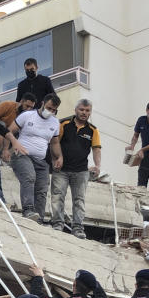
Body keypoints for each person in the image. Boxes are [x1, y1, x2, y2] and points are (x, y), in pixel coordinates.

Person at [9, 93, 62, 222]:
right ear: (43, 103)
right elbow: (9, 131)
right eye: (49, 108)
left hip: (40, 160)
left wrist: (59, 156)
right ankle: (28, 210)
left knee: (43, 188)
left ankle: (39, 218)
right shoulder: (27, 116)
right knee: (29, 177)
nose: (51, 112)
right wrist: (5, 149)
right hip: (22, 155)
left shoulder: (55, 123)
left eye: (54, 110)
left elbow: (54, 142)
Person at [53, 98, 100, 238]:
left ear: (90, 112)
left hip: (81, 171)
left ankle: (78, 228)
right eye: (82, 110)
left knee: (79, 200)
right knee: (57, 197)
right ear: (76, 110)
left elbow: (96, 149)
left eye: (87, 111)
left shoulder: (93, 130)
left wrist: (98, 166)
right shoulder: (63, 123)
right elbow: (54, 142)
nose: (84, 113)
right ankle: (57, 224)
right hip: (61, 170)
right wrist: (56, 158)